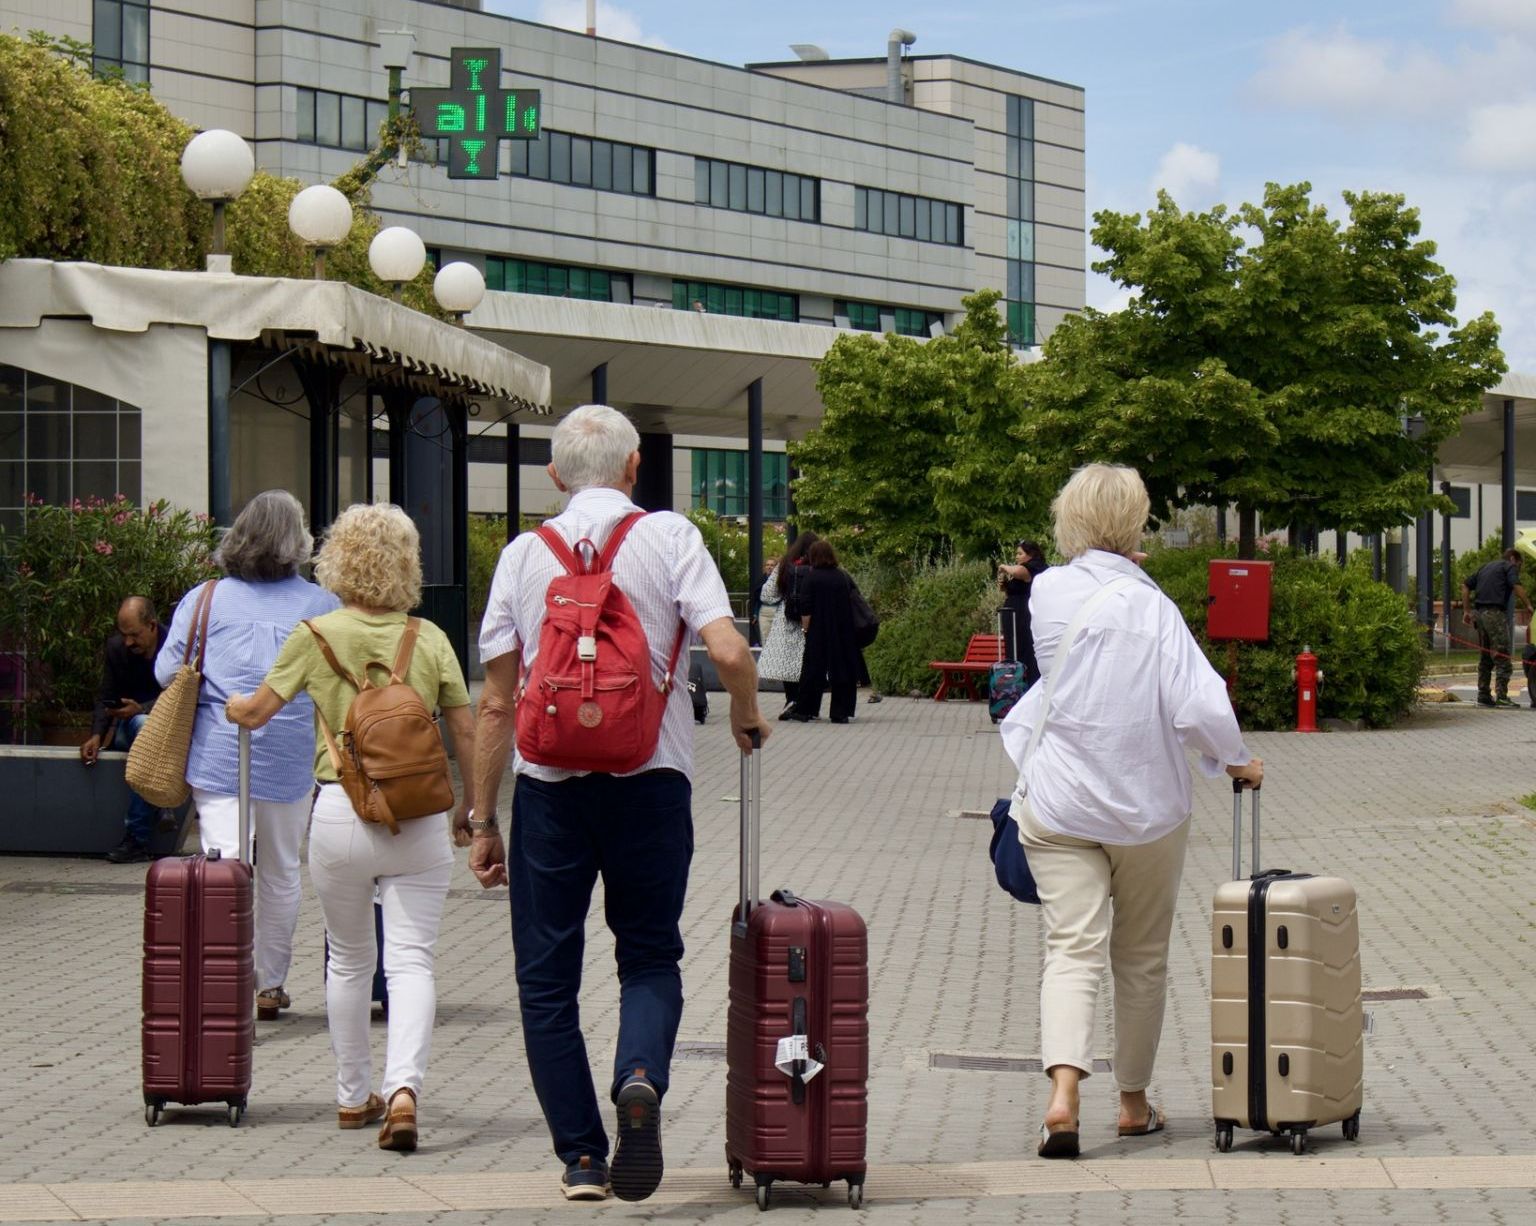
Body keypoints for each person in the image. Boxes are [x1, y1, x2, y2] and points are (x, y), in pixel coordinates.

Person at [470, 404, 771, 1203]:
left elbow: (496, 704)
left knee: (545, 980)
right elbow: (732, 651)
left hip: (548, 792)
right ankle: (639, 1076)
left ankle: (581, 1159)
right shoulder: (670, 538)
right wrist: (744, 711)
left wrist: (481, 818)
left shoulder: (522, 556)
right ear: (636, 469)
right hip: (652, 782)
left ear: (555, 476)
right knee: (648, 955)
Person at [999, 464, 1263, 1159]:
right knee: (1140, 958)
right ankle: (1133, 1103)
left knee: (1071, 949)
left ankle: (1062, 1094)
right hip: (1145, 809)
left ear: (1070, 521)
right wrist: (1236, 759)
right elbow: (1200, 704)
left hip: (1058, 803)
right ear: (1137, 525)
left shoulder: (1048, 592)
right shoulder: (1154, 608)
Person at [225, 503, 475, 1154]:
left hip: (339, 812)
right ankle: (403, 1092)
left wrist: (233, 704)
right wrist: (476, 809)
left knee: (349, 958)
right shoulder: (430, 639)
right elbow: (467, 729)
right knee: (411, 959)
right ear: (406, 565)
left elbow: (256, 711)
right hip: (416, 818)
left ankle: (349, 1095)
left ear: (336, 560)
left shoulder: (314, 634)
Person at [156, 490, 339, 1021]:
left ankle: (223, 977)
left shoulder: (205, 598)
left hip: (217, 753)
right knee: (281, 869)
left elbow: (168, 672)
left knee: (223, 864)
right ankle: (269, 984)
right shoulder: (320, 604)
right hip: (289, 756)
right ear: (298, 541)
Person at [80, 596, 168, 863]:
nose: (129, 642)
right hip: (129, 729)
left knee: (145, 723)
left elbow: (183, 692)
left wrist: (141, 708)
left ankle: (137, 837)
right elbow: (106, 694)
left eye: (134, 635)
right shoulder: (117, 649)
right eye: (124, 635)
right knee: (142, 726)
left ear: (152, 626)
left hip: (166, 729)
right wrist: (96, 735)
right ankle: (160, 806)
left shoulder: (174, 646)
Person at [785, 540, 861, 724]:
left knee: (812, 670)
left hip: (818, 630)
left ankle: (806, 709)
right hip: (842, 629)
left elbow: (806, 606)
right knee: (842, 670)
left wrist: (805, 628)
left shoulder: (812, 577)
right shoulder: (842, 576)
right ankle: (840, 712)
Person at [1462, 548, 1532, 707]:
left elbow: (1465, 586)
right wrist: (1528, 605)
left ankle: (1483, 695)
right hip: (1494, 614)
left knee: (1486, 656)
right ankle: (1502, 696)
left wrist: (1467, 611)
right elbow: (1516, 585)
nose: (1518, 570)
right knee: (1502, 655)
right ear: (1513, 559)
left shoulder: (1485, 567)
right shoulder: (1509, 567)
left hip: (1479, 615)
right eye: (1519, 565)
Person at [757, 532, 818, 715]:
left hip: (787, 619)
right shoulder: (817, 566)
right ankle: (808, 706)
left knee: (789, 662)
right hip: (813, 620)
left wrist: (785, 596)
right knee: (809, 662)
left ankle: (791, 699)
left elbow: (766, 595)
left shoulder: (785, 566)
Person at [998, 539, 1049, 685]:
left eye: (1020, 553)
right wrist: (1006, 586)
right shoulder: (1024, 568)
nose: (1017, 557)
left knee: (1026, 648)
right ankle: (1015, 683)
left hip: (1024, 614)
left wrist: (1003, 567)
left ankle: (1028, 682)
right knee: (1014, 648)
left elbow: (1020, 572)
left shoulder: (1034, 567)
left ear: (1030, 554)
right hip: (1014, 613)